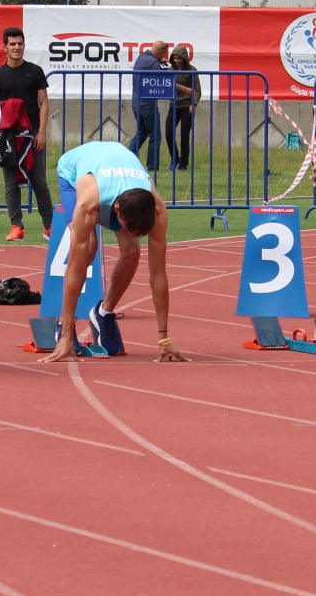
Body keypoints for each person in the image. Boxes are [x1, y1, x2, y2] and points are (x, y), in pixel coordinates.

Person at [43, 141, 188, 364]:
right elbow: (75, 267)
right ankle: (64, 326)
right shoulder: (89, 202)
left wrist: (164, 339)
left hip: (120, 178)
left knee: (132, 251)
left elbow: (158, 274)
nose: (132, 232)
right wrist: (65, 337)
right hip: (75, 175)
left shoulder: (157, 209)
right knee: (88, 248)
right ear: (117, 211)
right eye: (129, 228)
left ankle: (103, 313)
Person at [0, 26, 53, 241]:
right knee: (11, 183)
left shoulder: (35, 71)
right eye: (12, 44)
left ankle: (49, 227)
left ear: (24, 45)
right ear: (4, 47)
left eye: (20, 43)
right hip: (8, 137)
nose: (17, 47)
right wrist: (5, 108)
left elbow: (44, 103)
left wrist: (41, 132)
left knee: (39, 181)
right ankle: (16, 227)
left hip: (32, 135)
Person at [127, 40, 169, 170]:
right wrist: (185, 89)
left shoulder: (142, 58)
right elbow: (164, 81)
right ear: (160, 51)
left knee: (141, 134)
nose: (164, 57)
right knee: (155, 136)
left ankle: (126, 160)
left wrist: (158, 63)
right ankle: (152, 166)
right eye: (164, 54)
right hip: (148, 105)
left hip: (136, 104)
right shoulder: (153, 63)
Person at [167, 46, 200, 171]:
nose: (177, 61)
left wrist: (194, 103)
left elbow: (197, 90)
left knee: (184, 136)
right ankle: (174, 159)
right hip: (173, 106)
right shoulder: (170, 70)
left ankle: (183, 164)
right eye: (174, 58)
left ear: (185, 59)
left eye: (179, 58)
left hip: (187, 107)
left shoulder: (192, 70)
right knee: (168, 133)